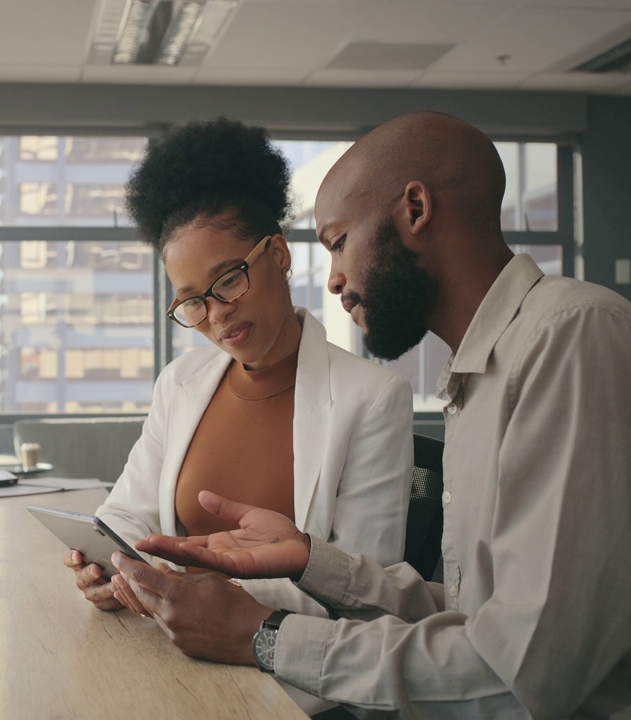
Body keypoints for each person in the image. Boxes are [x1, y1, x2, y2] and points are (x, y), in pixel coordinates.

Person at [113, 111, 631, 718]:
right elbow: (481, 619)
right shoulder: (484, 371)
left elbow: (531, 668)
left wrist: (267, 636)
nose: (332, 281)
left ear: (415, 210)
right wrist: (311, 559)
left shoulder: (574, 336)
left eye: (339, 243)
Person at [69, 119, 413, 711]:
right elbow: (125, 510)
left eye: (227, 279)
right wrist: (108, 565)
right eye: (191, 302)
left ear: (277, 253)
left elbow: (365, 587)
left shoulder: (371, 396)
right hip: (169, 659)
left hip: (287, 684)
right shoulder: (181, 383)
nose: (216, 315)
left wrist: (206, 596)